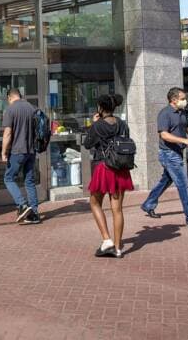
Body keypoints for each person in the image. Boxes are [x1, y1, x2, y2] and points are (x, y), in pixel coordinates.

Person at [83, 94, 133, 258]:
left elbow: (87, 144)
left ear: (100, 108)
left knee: (95, 202)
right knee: (117, 209)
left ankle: (107, 240)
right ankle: (118, 248)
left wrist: (93, 123)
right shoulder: (122, 124)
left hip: (104, 167)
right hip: (121, 168)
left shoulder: (98, 126)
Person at [140, 87, 188, 225]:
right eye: (182, 99)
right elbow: (164, 135)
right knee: (183, 185)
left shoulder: (182, 112)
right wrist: (184, 141)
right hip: (168, 154)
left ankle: (148, 204)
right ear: (174, 100)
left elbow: (187, 128)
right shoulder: (165, 114)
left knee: (166, 180)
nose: (185, 101)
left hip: (177, 152)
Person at [0, 88, 41, 224]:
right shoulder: (32, 108)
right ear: (20, 95)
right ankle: (34, 214)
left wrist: (4, 151)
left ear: (9, 97)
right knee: (29, 181)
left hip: (17, 151)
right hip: (31, 150)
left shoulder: (10, 110)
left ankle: (22, 204)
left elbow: (7, 133)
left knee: (8, 178)